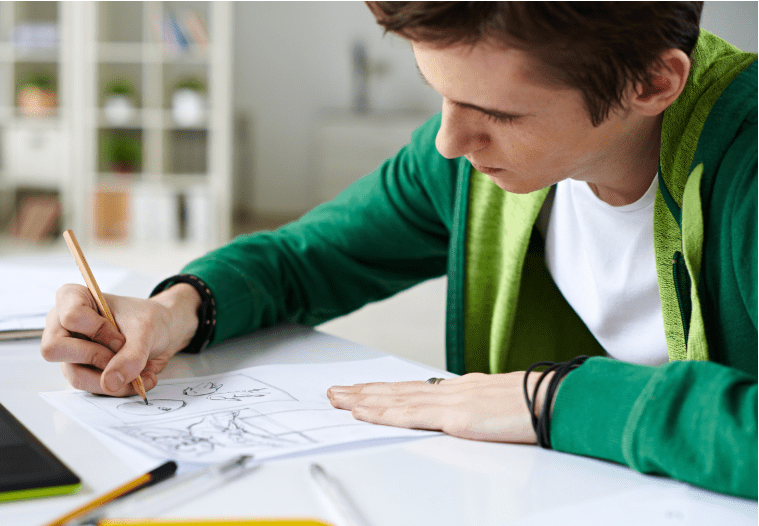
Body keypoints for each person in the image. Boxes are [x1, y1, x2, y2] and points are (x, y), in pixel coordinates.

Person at [41, 2, 757, 499]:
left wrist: (556, 398)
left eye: (498, 113)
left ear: (653, 82)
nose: (448, 143)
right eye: (438, 95)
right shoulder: (460, 161)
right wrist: (175, 310)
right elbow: (307, 258)